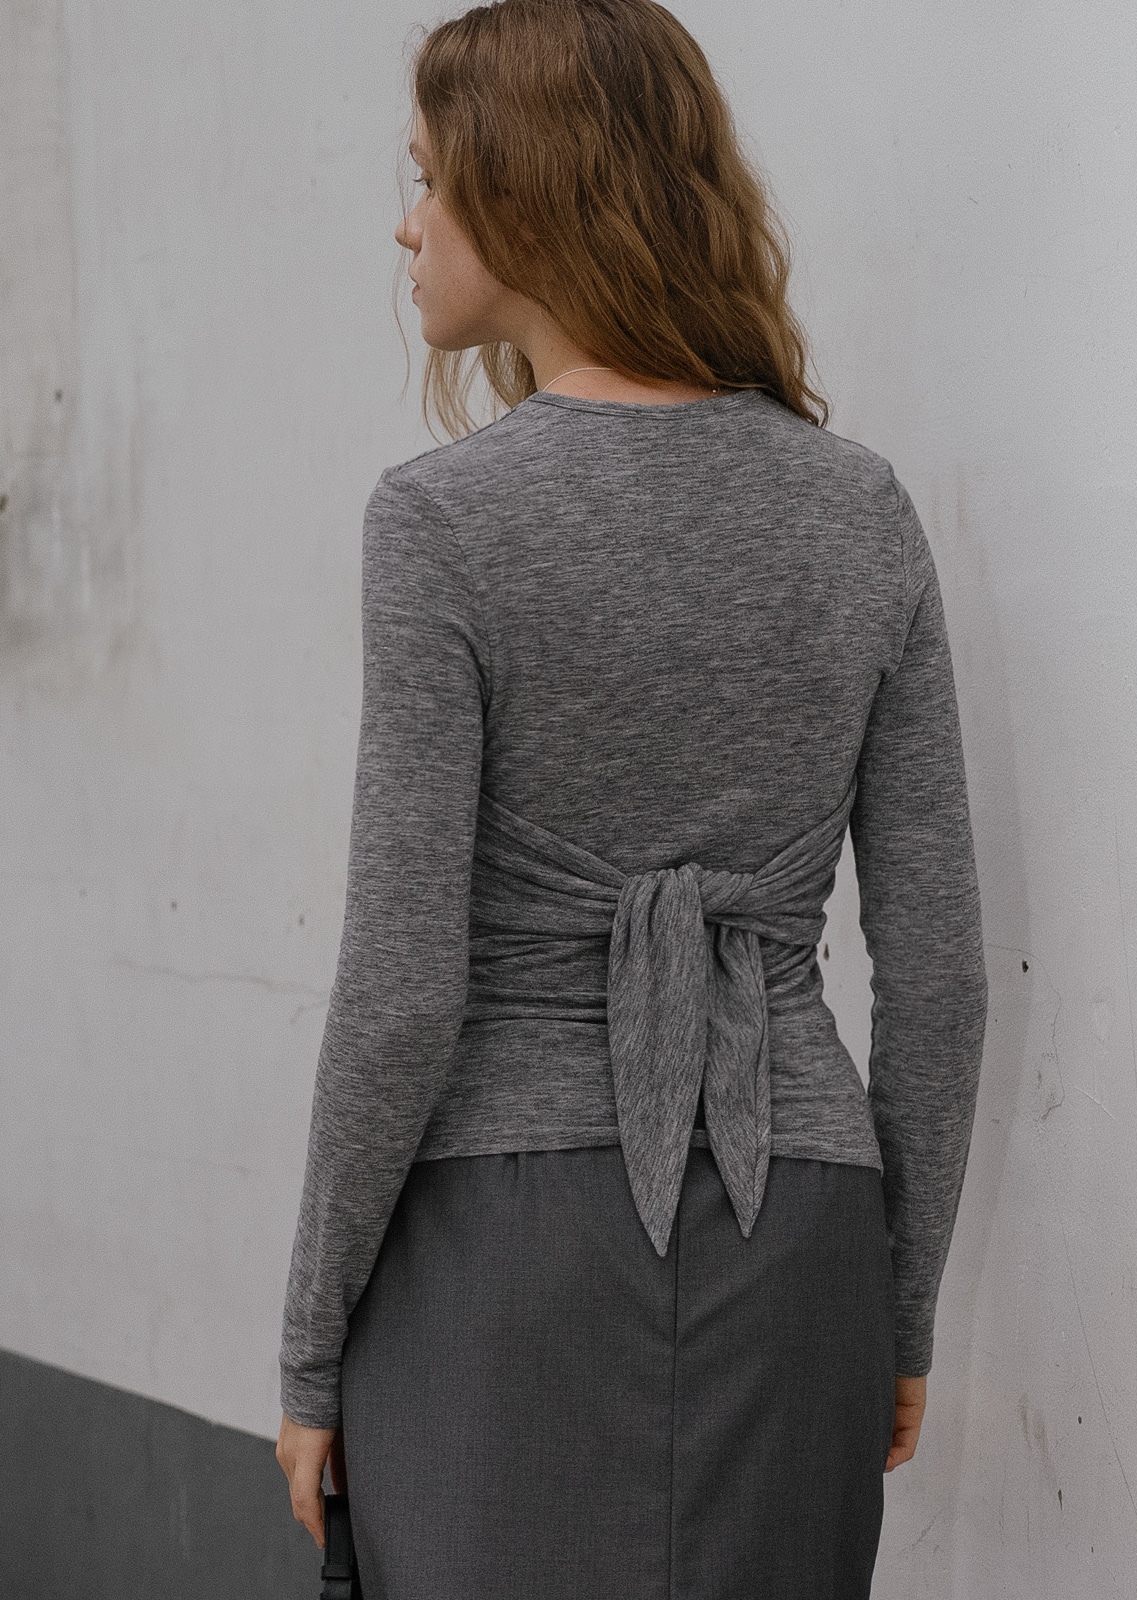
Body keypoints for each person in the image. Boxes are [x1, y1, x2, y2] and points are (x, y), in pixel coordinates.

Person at [275, 0, 989, 1594]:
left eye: (430, 179)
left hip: (498, 1248)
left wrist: (312, 1347)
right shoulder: (862, 514)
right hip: (802, 1232)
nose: (406, 223)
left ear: (528, 196)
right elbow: (938, 976)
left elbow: (401, 990)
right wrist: (900, 1305)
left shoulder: (443, 523)